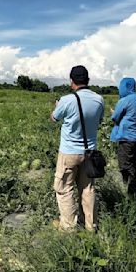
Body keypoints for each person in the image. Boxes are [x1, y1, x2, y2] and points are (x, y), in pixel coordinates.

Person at [50, 65, 104, 231]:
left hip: (69, 152)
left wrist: (57, 105)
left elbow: (54, 118)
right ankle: (90, 226)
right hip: (89, 153)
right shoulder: (99, 100)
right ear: (87, 80)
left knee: (64, 189)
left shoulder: (67, 99)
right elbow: (99, 121)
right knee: (87, 189)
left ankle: (68, 227)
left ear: (72, 81)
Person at [110, 77, 136, 196]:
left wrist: (113, 113)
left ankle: (130, 190)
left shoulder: (124, 100)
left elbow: (115, 118)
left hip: (127, 137)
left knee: (125, 164)